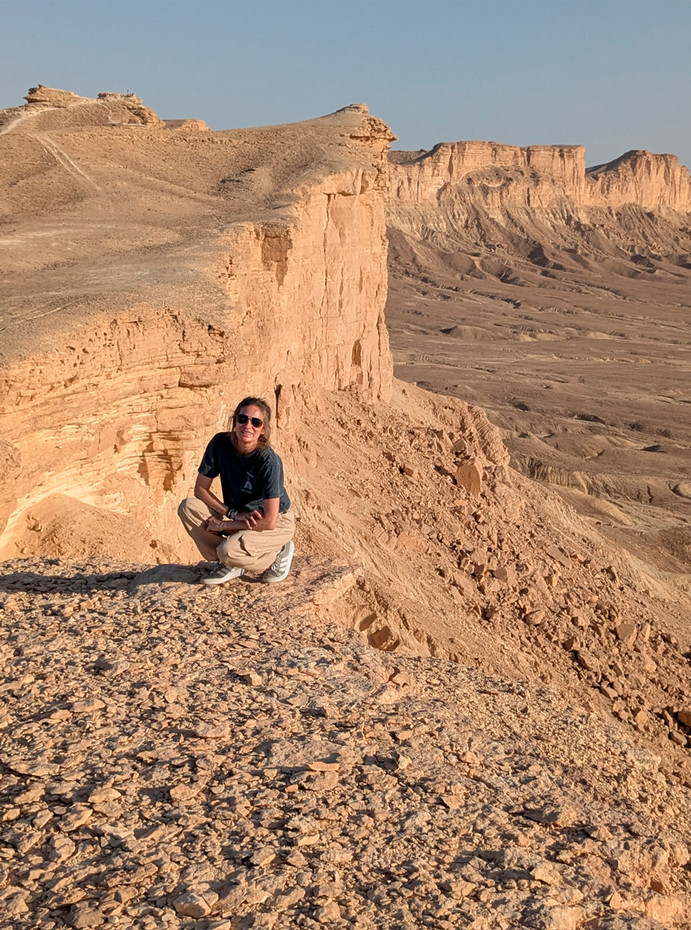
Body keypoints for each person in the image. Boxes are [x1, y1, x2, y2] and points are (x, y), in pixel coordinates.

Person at [178, 397, 295, 584]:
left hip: (274, 521)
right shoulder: (220, 444)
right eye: (243, 419)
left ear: (263, 430)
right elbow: (200, 489)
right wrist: (232, 514)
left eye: (256, 422)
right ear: (235, 422)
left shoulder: (268, 461)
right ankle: (230, 561)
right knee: (188, 507)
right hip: (241, 515)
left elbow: (270, 521)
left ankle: (279, 551)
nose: (248, 426)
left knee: (228, 550)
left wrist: (224, 525)